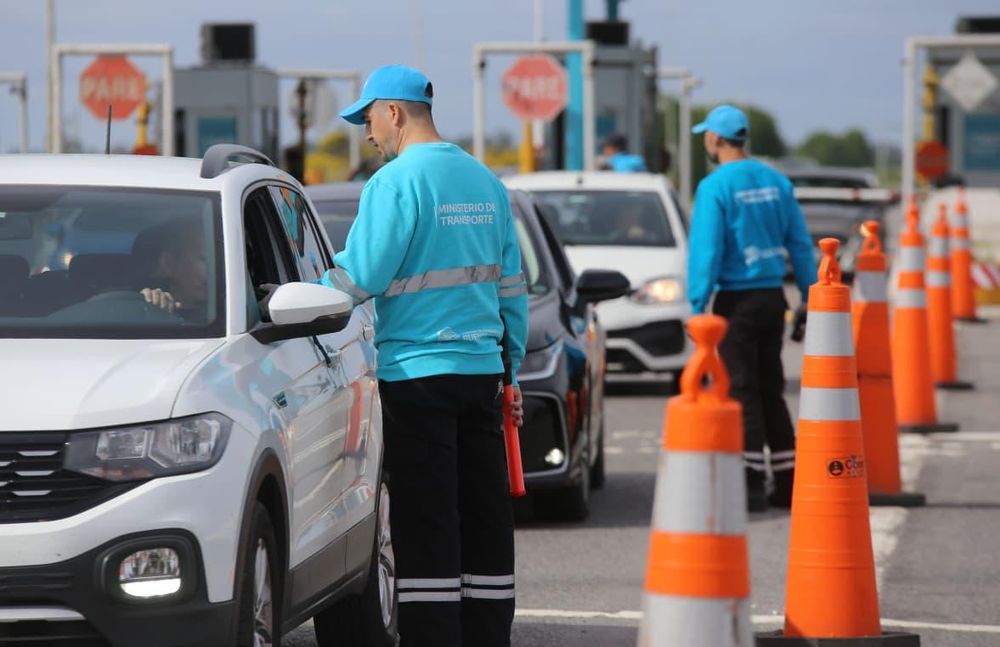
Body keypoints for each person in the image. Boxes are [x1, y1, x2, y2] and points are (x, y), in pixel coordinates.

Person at [324, 64, 529, 647]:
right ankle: (487, 636)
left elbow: (361, 274)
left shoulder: (393, 183)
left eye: (368, 118)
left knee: (426, 519)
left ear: (394, 112)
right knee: (485, 517)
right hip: (481, 373)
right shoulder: (486, 182)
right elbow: (510, 287)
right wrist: (507, 373)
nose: (368, 133)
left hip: (416, 377)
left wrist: (298, 291)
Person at [686, 104, 816, 512]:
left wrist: (697, 304)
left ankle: (751, 483)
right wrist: (811, 296)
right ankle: (788, 480)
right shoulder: (777, 182)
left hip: (735, 301)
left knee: (740, 389)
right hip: (772, 297)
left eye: (706, 135)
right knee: (770, 387)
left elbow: (706, 251)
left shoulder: (714, 187)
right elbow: (800, 242)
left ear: (715, 140)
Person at [135, 220, 208, 319]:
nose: (214, 271)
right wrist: (147, 306)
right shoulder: (142, 317)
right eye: (204, 258)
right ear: (168, 264)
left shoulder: (230, 312)